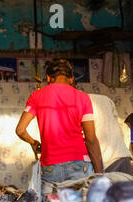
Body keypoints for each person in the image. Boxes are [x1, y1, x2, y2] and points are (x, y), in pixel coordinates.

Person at [15, 59, 103, 195]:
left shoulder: (36, 96)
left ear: (48, 77)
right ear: (72, 78)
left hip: (50, 166)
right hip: (79, 164)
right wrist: (99, 174)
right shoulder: (83, 98)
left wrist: (34, 142)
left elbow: (20, 130)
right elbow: (90, 139)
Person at [89, 95, 132, 175]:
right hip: (121, 154)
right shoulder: (106, 99)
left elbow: (90, 139)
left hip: (105, 160)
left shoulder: (82, 101)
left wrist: (98, 172)